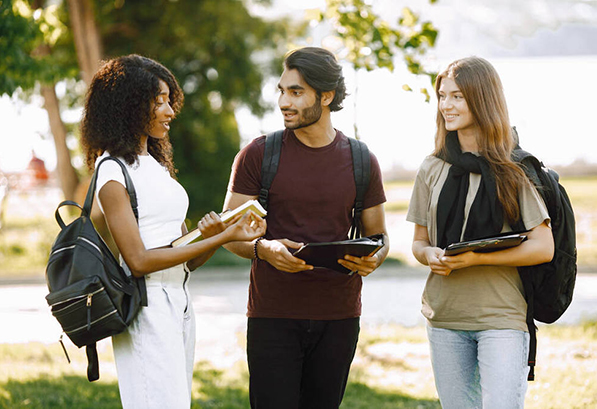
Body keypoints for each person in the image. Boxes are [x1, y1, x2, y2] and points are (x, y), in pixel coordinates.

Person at [80, 54, 266, 409]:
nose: (169, 111)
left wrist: (221, 233)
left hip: (179, 303)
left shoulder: (156, 166)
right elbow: (136, 260)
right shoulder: (112, 170)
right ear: (129, 105)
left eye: (169, 100)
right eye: (158, 101)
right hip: (145, 307)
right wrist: (221, 237)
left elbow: (188, 259)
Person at [222, 46, 389, 408]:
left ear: (325, 96)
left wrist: (375, 258)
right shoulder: (259, 155)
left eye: (296, 92)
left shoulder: (362, 160)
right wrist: (261, 249)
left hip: (340, 317)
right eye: (282, 90)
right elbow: (228, 233)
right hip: (273, 316)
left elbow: (379, 237)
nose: (284, 101)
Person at [407, 56, 554, 409]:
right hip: (444, 317)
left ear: (482, 98)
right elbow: (419, 242)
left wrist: (474, 259)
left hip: (501, 317)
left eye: (457, 96)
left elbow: (543, 246)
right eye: (442, 96)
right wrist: (429, 255)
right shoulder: (432, 166)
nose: (446, 105)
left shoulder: (514, 167)